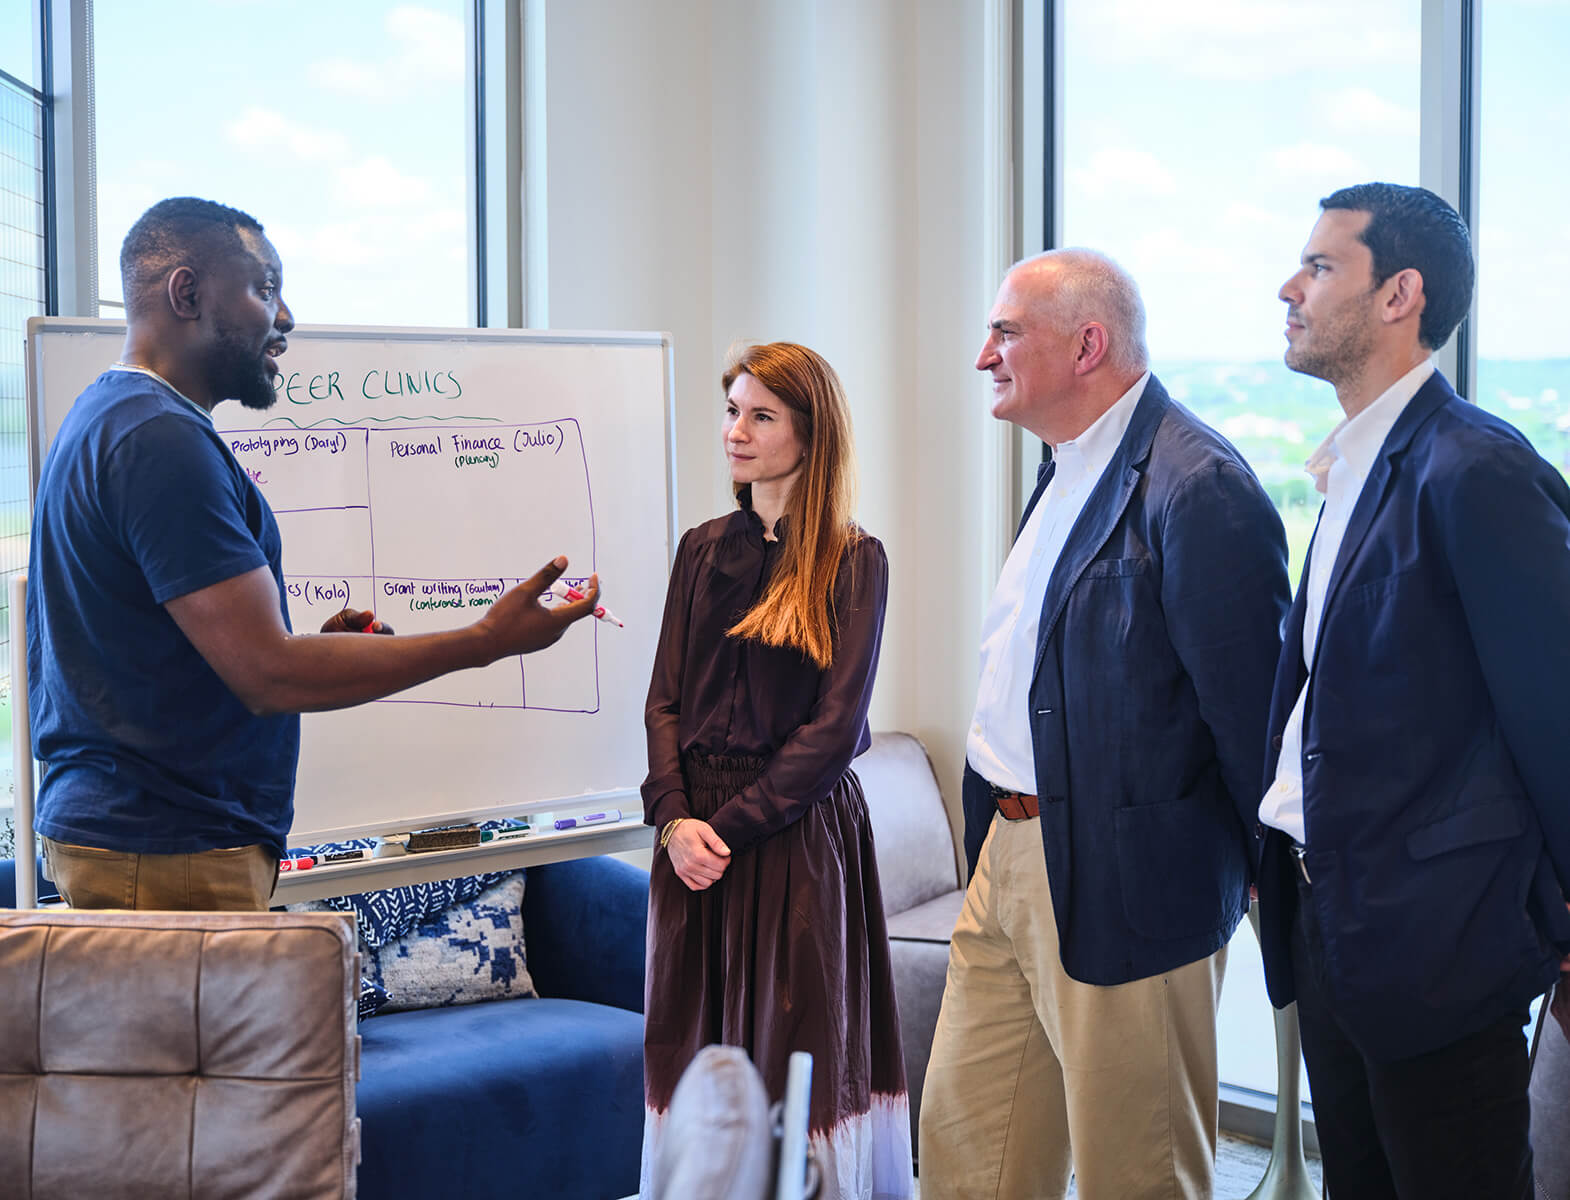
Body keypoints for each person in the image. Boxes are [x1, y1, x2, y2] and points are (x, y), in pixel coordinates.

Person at [26, 196, 599, 912]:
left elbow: (180, 657)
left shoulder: (112, 417)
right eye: (265, 289)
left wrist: (316, 651)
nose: (286, 317)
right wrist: (485, 641)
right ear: (188, 292)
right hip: (166, 850)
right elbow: (268, 674)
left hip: (148, 839)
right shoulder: (158, 440)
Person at [919, 249, 1290, 1198]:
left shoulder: (1197, 484)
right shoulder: (1062, 469)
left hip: (1131, 883)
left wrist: (1256, 883)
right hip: (1003, 860)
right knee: (970, 1159)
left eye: (1005, 332)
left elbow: (1252, 716)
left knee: (1140, 1173)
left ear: (1088, 345)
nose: (983, 356)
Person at [1254, 182, 1570, 1199]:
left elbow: (1554, 709)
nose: (1287, 287)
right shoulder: (1351, 466)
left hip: (1438, 936)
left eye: (1319, 266)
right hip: (1325, 921)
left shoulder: (1473, 470)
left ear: (1399, 296)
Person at [639, 342, 911, 1199]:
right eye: (731, 411)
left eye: (761, 415)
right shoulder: (698, 549)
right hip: (693, 839)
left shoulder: (854, 560)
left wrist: (723, 828)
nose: (736, 431)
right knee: (692, 1045)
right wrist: (676, 820)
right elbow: (662, 703)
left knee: (800, 1046)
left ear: (809, 433)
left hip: (796, 831)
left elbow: (835, 731)